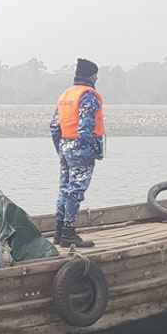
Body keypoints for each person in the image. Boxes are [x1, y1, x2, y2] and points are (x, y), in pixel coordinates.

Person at [50, 58, 105, 248]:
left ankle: (58, 232)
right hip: (81, 149)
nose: (97, 78)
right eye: (96, 75)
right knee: (76, 191)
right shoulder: (88, 95)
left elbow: (54, 126)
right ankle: (68, 234)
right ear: (91, 76)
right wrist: (87, 149)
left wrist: (61, 148)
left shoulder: (66, 95)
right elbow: (85, 127)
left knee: (64, 188)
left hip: (65, 146)